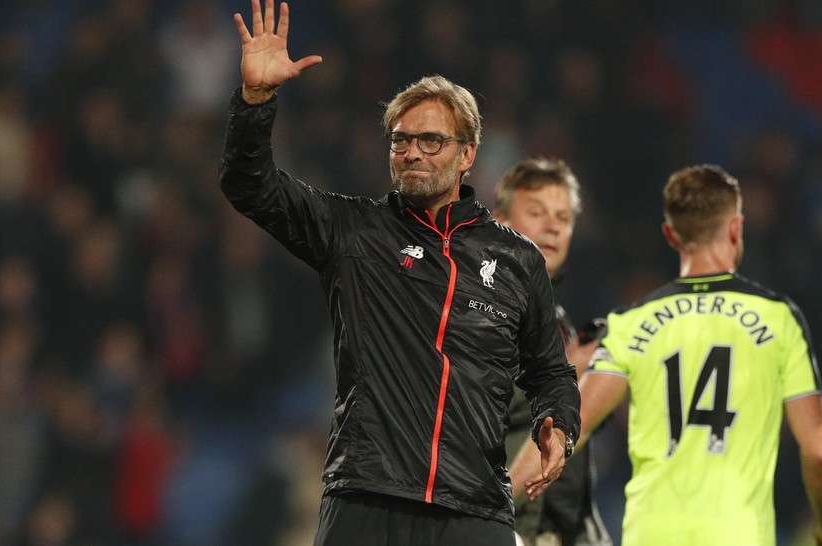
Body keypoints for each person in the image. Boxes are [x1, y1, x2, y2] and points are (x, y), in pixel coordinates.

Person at [219, 1, 582, 545]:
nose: (412, 152)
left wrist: (559, 426)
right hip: (367, 496)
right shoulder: (354, 232)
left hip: (474, 507)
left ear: (467, 155)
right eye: (401, 140)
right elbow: (250, 184)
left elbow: (550, 372)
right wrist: (256, 100)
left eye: (430, 140)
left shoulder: (516, 260)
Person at [524, 164, 822, 545]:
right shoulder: (778, 319)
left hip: (651, 533)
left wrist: (494, 497)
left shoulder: (631, 323)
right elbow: (821, 454)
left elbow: (565, 433)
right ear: (736, 229)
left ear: (670, 235)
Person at [494, 159, 612, 546]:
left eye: (563, 216)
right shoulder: (472, 316)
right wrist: (574, 374)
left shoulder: (559, 323)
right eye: (536, 212)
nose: (553, 225)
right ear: (499, 223)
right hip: (506, 529)